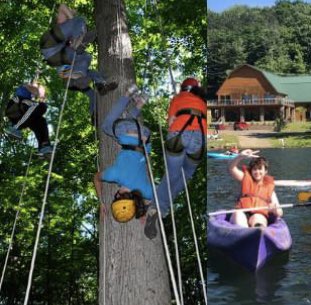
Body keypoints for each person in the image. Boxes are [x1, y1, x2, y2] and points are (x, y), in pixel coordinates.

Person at [93, 85, 155, 230]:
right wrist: (101, 202)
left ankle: (139, 103)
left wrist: (146, 211)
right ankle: (128, 94)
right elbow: (96, 177)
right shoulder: (115, 175)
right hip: (128, 133)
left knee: (127, 123)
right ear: (117, 196)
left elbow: (160, 197)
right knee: (107, 126)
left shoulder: (145, 191)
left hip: (145, 137)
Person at [40, 3, 117, 120]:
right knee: (80, 21)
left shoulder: (68, 32)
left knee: (86, 57)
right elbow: (62, 6)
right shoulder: (63, 23)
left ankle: (101, 84)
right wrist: (74, 19)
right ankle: (78, 46)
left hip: (60, 58)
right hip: (50, 45)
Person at [153, 77, 207, 223]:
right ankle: (162, 205)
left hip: (179, 133)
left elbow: (170, 122)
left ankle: (158, 207)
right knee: (186, 175)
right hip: (199, 140)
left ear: (183, 88)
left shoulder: (178, 98)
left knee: (172, 175)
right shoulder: (203, 102)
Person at [228, 149, 283, 227]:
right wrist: (240, 156)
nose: (257, 172)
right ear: (251, 171)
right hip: (242, 212)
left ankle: (258, 230)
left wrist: (274, 209)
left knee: (258, 218)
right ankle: (243, 232)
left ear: (265, 171)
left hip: (258, 214)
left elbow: (280, 213)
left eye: (260, 169)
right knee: (238, 214)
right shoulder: (244, 177)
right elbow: (231, 168)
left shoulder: (270, 190)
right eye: (254, 169)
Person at [4, 83, 53, 155]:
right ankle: (14, 126)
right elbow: (36, 89)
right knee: (41, 106)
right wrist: (41, 95)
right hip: (15, 110)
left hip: (21, 116)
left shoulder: (29, 100)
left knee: (40, 121)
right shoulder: (24, 88)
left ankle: (44, 144)